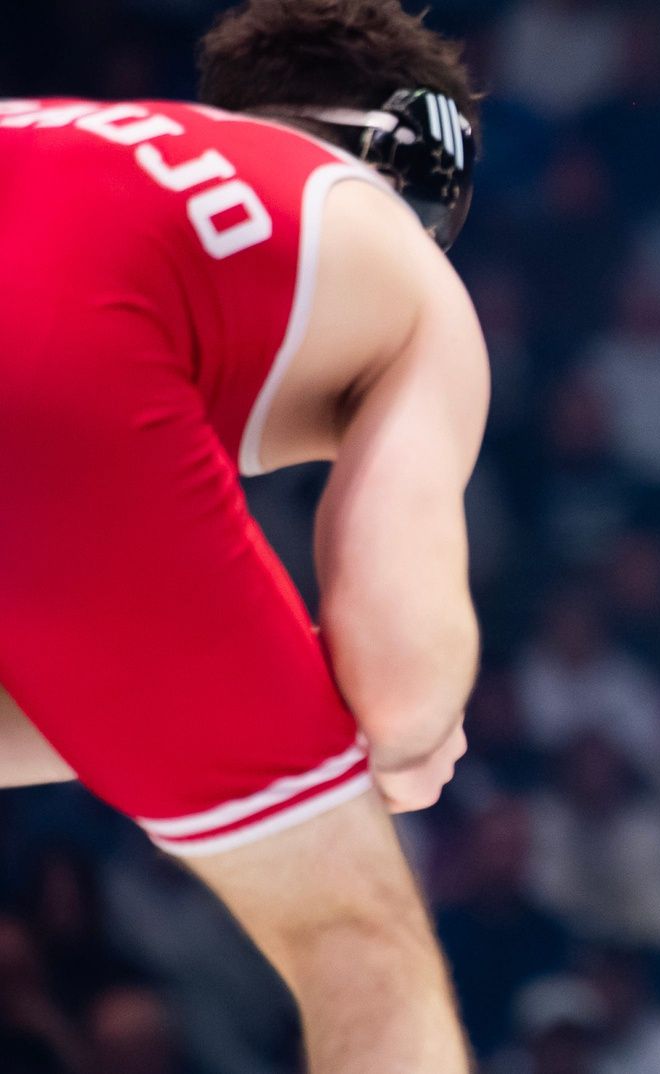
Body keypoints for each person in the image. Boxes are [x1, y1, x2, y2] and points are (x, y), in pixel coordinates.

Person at [0, 2, 488, 1070]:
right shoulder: (389, 248)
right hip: (63, 376)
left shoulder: (77, 135)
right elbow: (401, 698)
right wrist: (400, 729)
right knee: (360, 939)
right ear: (421, 178)